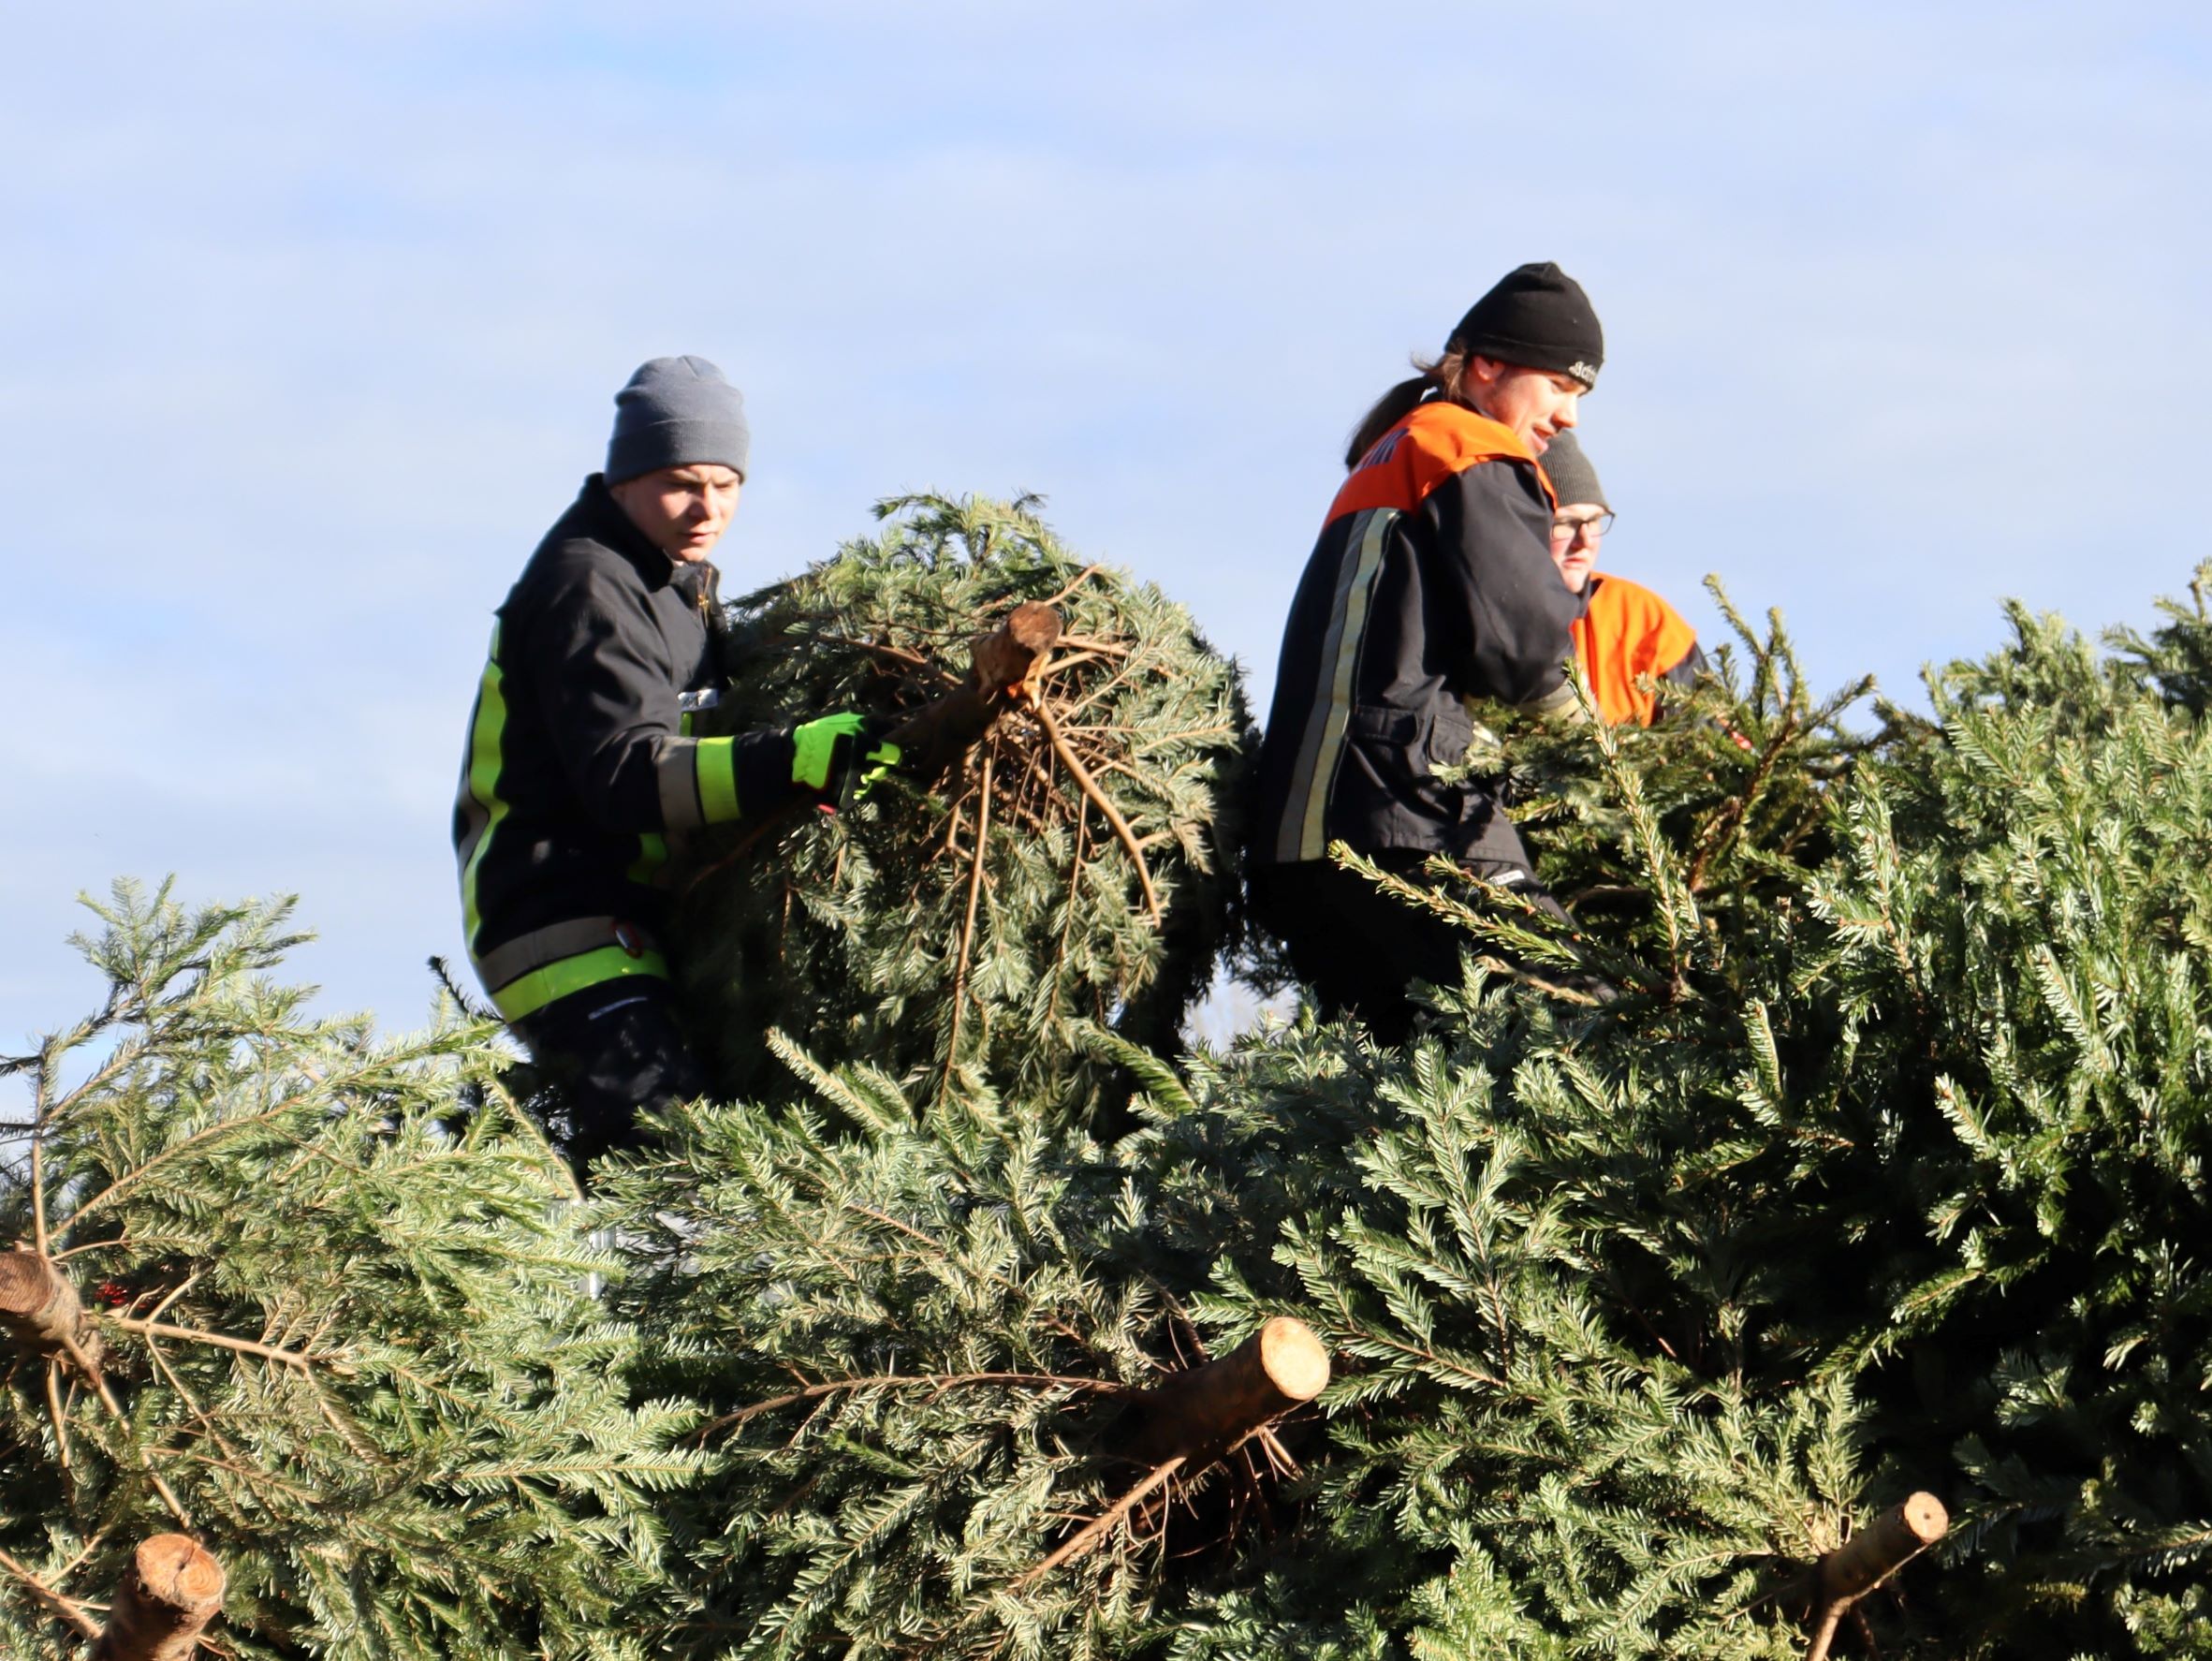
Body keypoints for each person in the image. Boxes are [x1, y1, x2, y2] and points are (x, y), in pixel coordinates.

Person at [452, 357, 899, 1167]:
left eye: (727, 484)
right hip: (559, 921)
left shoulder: (671, 577)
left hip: (646, 922)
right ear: (626, 477)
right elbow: (627, 776)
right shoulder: (589, 584)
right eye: (682, 483)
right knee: (672, 1164)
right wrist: (794, 760)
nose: (709, 508)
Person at [1249, 263, 1601, 1042]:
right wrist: (1598, 752)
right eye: (1560, 387)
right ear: (1487, 367)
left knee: (1395, 1075)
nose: (1569, 417)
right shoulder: (1464, 447)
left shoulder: (1391, 455)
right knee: (1573, 1021)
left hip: (1296, 841)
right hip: (1404, 814)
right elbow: (1524, 640)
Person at [1539, 430, 1707, 725]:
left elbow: (1709, 746)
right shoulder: (1480, 615)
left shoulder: (1641, 617)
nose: (1585, 539)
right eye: (1565, 522)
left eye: (1595, 520)